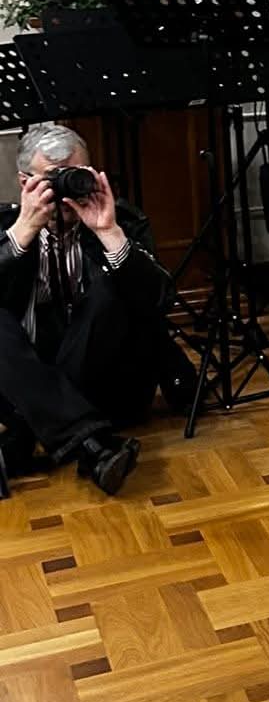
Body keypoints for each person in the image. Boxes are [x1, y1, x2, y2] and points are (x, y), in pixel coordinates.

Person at [0, 124, 173, 495]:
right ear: (24, 181)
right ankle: (93, 445)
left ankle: (26, 437)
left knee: (109, 289)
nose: (65, 191)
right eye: (53, 179)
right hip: (25, 384)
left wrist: (109, 233)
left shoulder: (122, 221)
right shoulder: (5, 228)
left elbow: (159, 301)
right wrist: (21, 235)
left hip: (108, 385)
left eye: (75, 176)